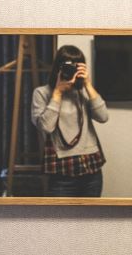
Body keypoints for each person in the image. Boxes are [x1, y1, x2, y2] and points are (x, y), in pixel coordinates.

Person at [31, 45, 109, 197]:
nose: (70, 70)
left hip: (90, 166)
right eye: (66, 66)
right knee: (60, 213)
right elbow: (46, 127)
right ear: (57, 68)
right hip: (61, 170)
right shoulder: (42, 93)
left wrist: (87, 84)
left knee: (90, 212)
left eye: (75, 66)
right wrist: (58, 92)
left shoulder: (82, 92)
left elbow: (103, 117)